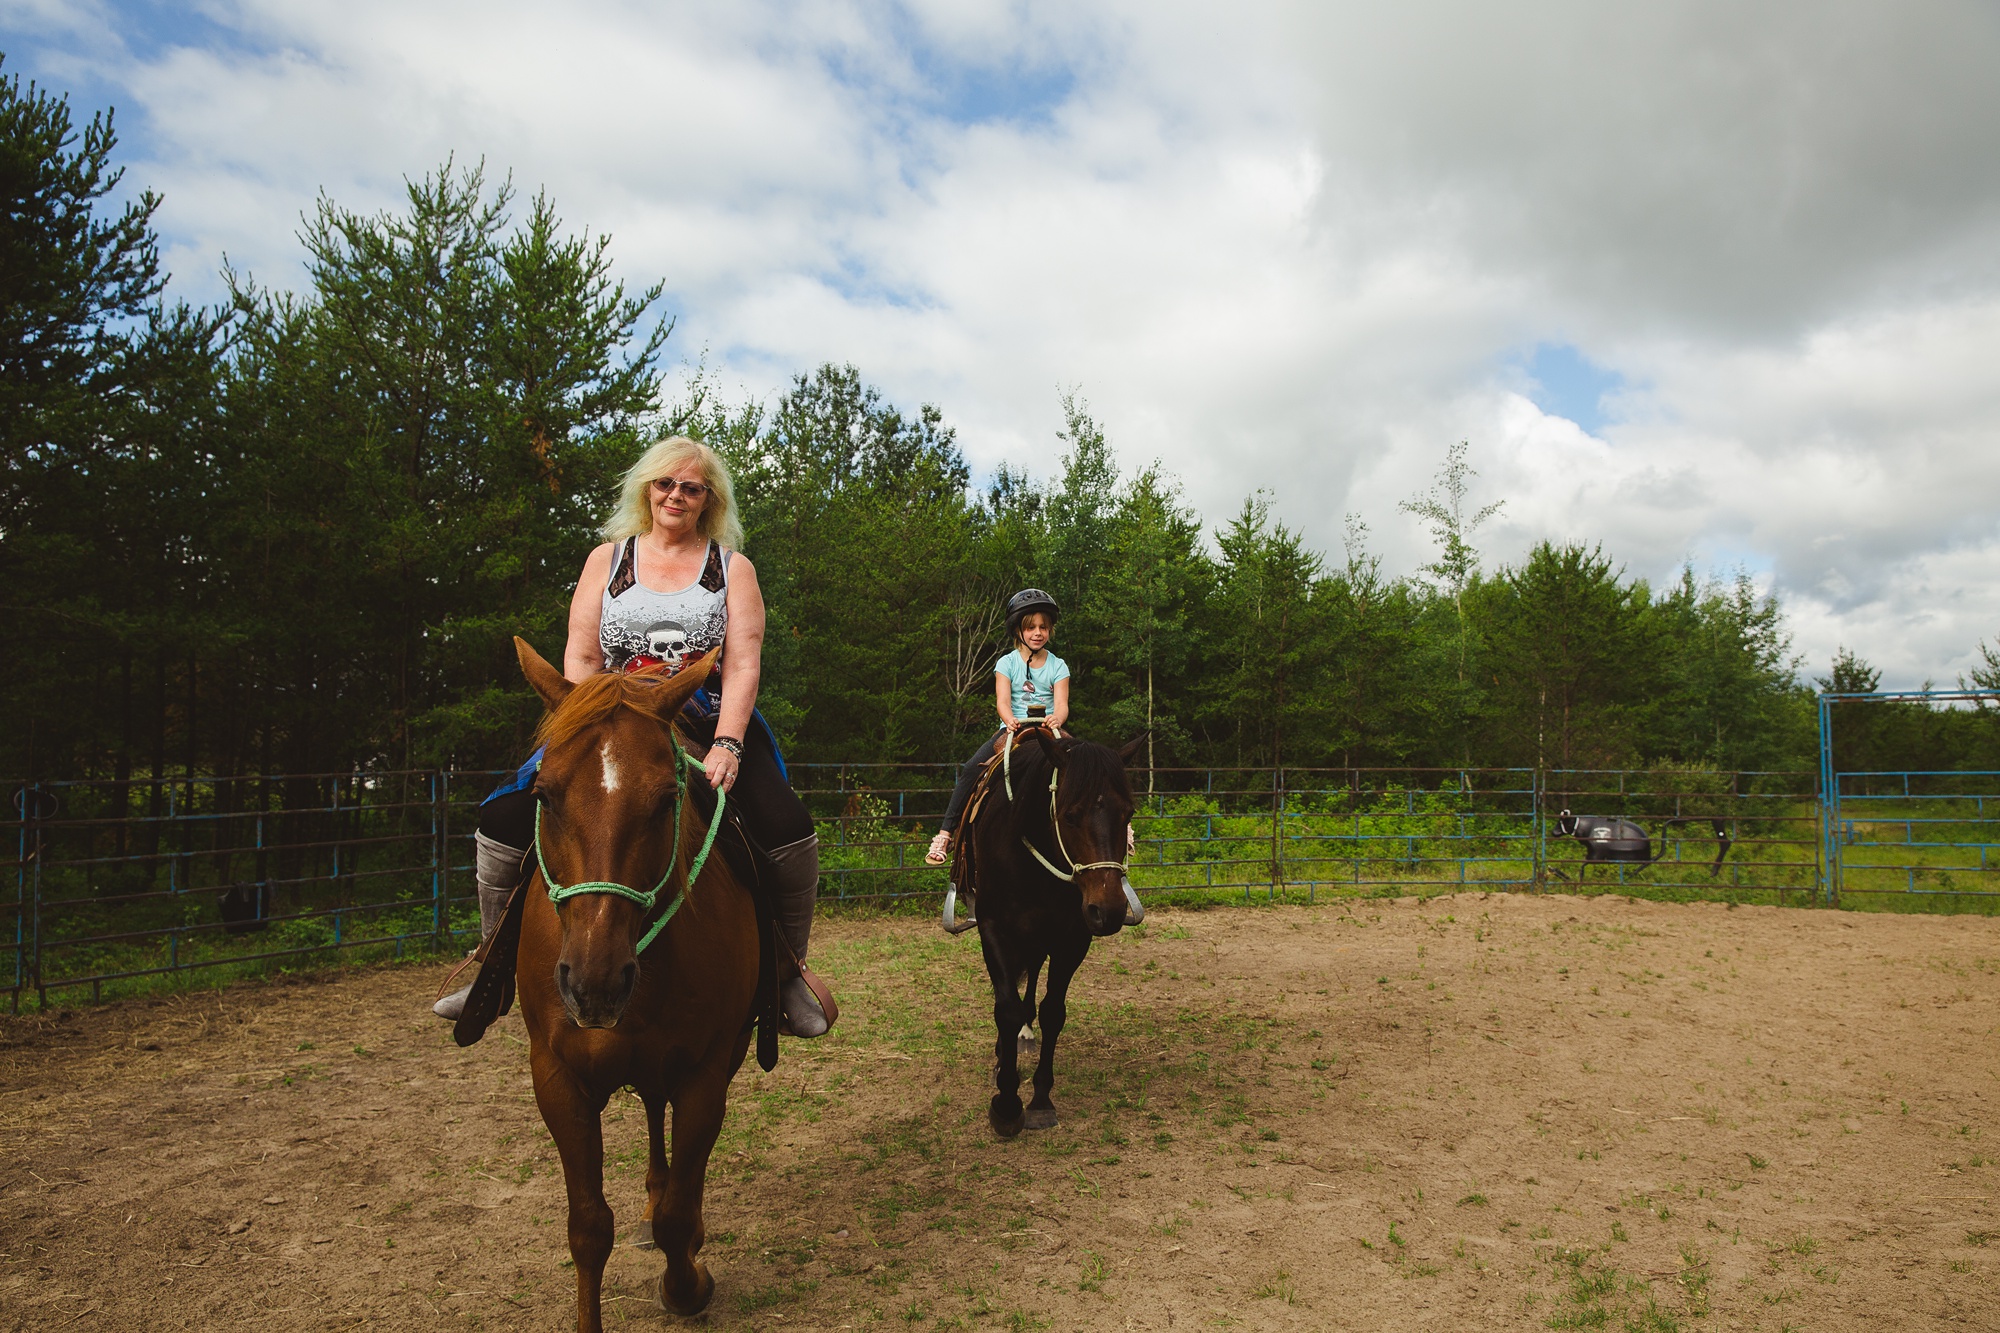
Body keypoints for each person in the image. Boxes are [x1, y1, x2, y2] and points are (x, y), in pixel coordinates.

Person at [434, 436, 829, 1037]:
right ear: (645, 489)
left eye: (691, 488)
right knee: (504, 820)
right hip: (605, 711)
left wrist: (727, 744)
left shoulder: (731, 568)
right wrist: (579, 724)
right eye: (665, 484)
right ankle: (493, 968)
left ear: (708, 500)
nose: (676, 495)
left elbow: (745, 662)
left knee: (786, 829)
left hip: (700, 709)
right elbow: (583, 653)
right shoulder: (607, 560)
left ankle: (784, 974)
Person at [927, 588, 1070, 866]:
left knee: (1089, 764)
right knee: (971, 769)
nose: (1037, 633)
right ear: (1018, 630)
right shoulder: (1006, 663)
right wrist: (1008, 720)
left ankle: (1121, 830)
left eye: (1043, 627)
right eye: (1031, 628)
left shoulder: (1058, 665)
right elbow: (1002, 701)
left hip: (1049, 729)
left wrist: (1058, 719)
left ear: (1050, 629)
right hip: (1013, 728)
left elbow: (1062, 703)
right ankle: (946, 833)